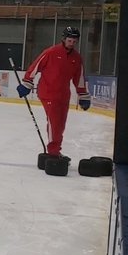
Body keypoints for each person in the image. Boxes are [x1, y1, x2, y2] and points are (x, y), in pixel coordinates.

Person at [18, 26, 90, 159]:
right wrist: (27, 83)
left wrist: (83, 95)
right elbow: (35, 66)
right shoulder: (51, 52)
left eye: (74, 41)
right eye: (70, 40)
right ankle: (53, 151)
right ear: (64, 39)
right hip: (48, 92)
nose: (72, 43)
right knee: (54, 122)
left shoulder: (76, 58)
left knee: (60, 124)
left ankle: (55, 148)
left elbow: (79, 78)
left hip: (63, 95)